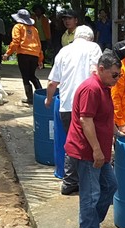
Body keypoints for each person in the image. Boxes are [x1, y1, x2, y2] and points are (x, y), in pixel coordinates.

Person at [64, 51, 122, 228]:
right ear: (101, 69)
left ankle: (90, 224)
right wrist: (97, 150)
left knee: (110, 185)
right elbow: (86, 120)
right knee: (91, 193)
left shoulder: (104, 87)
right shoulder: (91, 88)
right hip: (87, 151)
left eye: (119, 75)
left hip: (100, 150)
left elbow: (104, 117)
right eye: (114, 75)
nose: (117, 79)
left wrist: (117, 132)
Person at [45, 25, 102, 196]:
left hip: (66, 106)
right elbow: (96, 73)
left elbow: (51, 82)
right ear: (90, 38)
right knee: (91, 143)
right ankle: (87, 182)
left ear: (75, 37)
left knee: (73, 144)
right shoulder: (94, 48)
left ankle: (69, 182)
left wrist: (48, 100)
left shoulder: (63, 52)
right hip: (87, 106)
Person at [2, 9, 43, 105]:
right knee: (32, 76)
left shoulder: (18, 27)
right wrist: (40, 59)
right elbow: (39, 44)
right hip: (34, 55)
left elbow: (16, 41)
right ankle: (41, 96)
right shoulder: (34, 29)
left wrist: (7, 53)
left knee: (26, 77)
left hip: (23, 54)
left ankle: (30, 99)